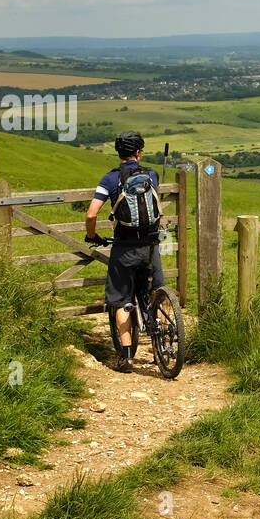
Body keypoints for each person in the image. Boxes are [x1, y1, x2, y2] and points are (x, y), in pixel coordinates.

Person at [85, 132, 165, 373]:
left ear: (118, 152)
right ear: (138, 152)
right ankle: (163, 338)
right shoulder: (152, 175)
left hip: (124, 250)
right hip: (150, 248)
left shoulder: (110, 179)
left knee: (121, 301)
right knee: (156, 293)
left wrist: (91, 236)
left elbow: (91, 214)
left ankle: (127, 357)